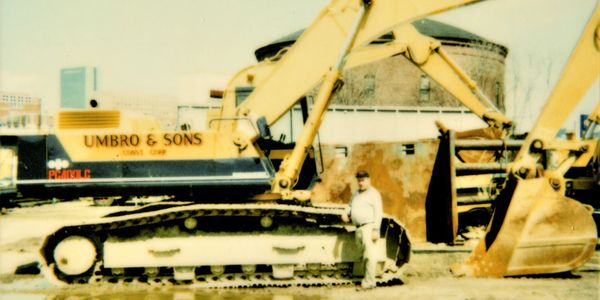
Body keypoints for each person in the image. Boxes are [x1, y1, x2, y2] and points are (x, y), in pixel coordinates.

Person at [341, 170, 383, 290]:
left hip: (368, 227)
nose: (360, 183)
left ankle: (369, 283)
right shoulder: (356, 193)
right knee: (363, 255)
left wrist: (376, 229)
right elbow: (350, 205)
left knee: (369, 256)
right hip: (358, 228)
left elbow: (378, 212)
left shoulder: (374, 194)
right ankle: (366, 279)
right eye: (359, 181)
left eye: (363, 180)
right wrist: (346, 212)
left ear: (368, 180)